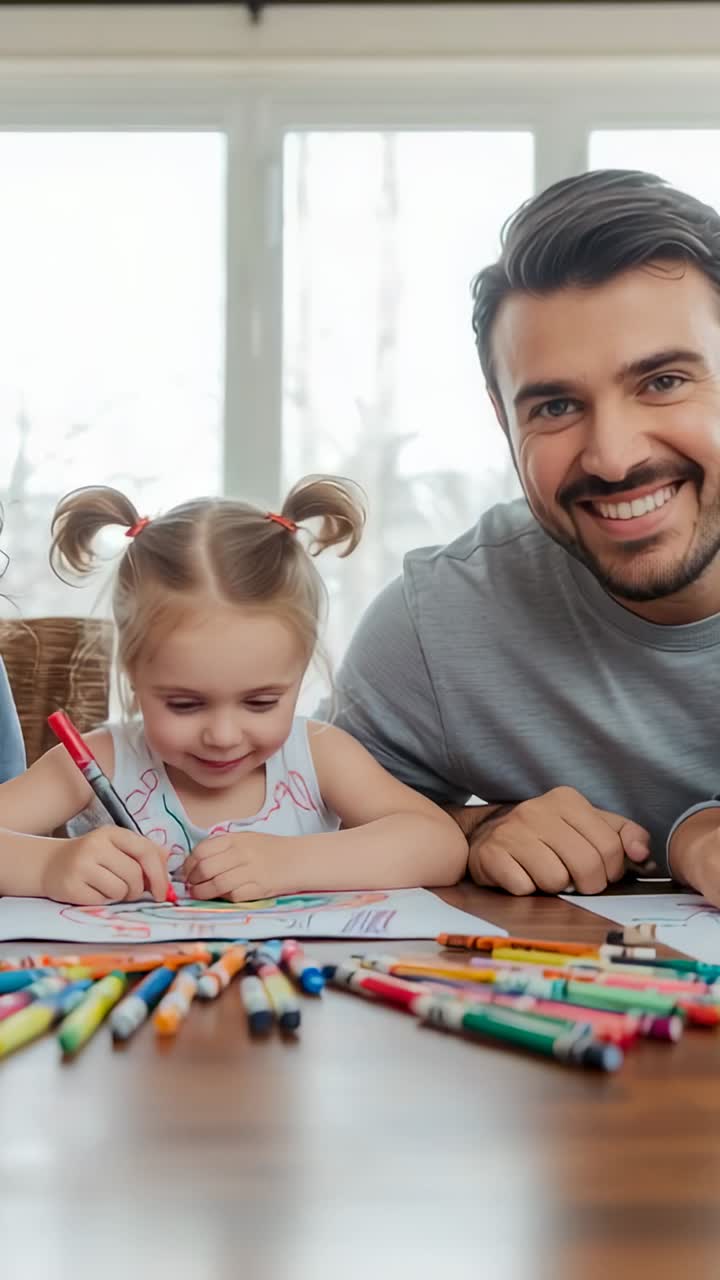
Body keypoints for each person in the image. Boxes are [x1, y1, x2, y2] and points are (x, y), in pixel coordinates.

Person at [330, 168, 720, 905]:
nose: (613, 457)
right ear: (502, 418)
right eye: (556, 406)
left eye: (664, 382)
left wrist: (695, 831)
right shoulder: (438, 624)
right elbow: (295, 817)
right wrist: (476, 828)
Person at [0, 476, 466, 905]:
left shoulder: (319, 757)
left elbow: (440, 844)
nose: (223, 736)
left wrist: (292, 863)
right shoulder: (93, 763)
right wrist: (47, 867)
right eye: (185, 704)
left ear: (300, 671)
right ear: (132, 675)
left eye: (261, 702)